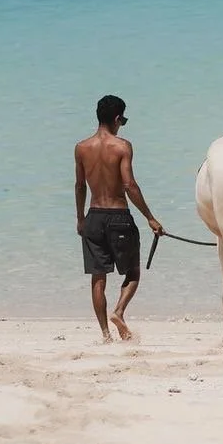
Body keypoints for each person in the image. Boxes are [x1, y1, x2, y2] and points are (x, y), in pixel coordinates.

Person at [74, 95, 163, 341]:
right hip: (119, 217)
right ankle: (119, 312)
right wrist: (150, 217)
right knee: (133, 271)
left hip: (93, 216)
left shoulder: (81, 147)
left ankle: (105, 335)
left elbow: (80, 185)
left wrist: (80, 218)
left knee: (98, 277)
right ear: (116, 119)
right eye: (122, 120)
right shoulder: (122, 146)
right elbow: (129, 185)